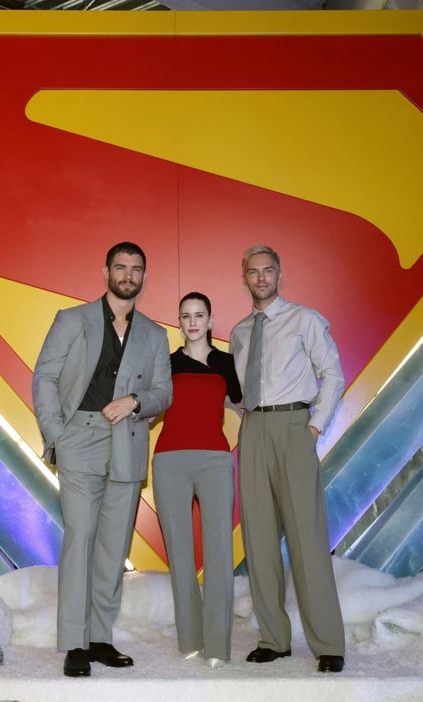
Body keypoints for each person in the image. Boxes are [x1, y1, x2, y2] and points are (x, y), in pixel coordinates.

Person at [32, 241, 173, 678]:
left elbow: (163, 394)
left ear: (144, 276)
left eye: (136, 269)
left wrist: (135, 400)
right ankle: (74, 643)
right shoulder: (72, 319)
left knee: (113, 548)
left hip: (128, 444)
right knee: (80, 539)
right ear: (106, 272)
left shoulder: (154, 335)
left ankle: (99, 638)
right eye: (121, 267)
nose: (128, 275)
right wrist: (57, 435)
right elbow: (45, 376)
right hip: (80, 440)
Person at [229, 244, 347, 674]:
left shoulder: (305, 320)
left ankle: (328, 643)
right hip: (253, 429)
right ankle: (274, 639)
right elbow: (238, 387)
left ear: (280, 275)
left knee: (307, 537)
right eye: (253, 271)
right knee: (258, 539)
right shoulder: (240, 331)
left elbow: (332, 374)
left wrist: (314, 426)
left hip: (295, 426)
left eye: (268, 270)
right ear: (244, 277)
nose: (261, 278)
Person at [153, 292, 242, 668]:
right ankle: (190, 639)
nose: (192, 322)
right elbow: (149, 407)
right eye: (186, 316)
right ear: (179, 322)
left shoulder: (226, 363)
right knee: (181, 554)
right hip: (169, 461)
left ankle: (218, 644)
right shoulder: (165, 363)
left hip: (215, 462)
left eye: (199, 315)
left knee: (220, 552)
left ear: (210, 320)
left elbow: (245, 405)